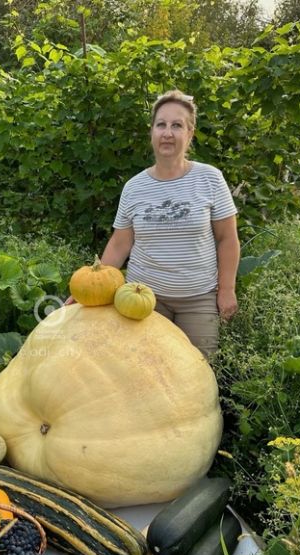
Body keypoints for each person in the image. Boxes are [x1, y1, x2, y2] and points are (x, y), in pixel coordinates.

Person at [96, 89, 240, 357]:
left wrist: (227, 289)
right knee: (144, 370)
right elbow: (120, 243)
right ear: (152, 131)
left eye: (177, 125)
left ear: (190, 133)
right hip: (142, 299)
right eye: (161, 124)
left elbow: (227, 238)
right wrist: (95, 288)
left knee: (198, 370)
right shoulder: (134, 187)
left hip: (199, 299)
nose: (168, 133)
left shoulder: (210, 178)